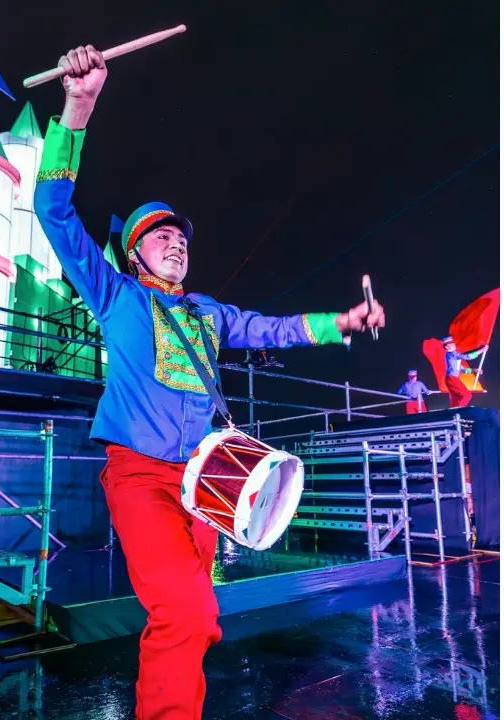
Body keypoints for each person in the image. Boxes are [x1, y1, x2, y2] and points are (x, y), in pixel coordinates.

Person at [35, 45, 384, 720]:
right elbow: (54, 212)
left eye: (181, 236)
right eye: (159, 236)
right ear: (134, 254)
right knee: (187, 610)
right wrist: (80, 104)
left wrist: (340, 321)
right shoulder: (116, 297)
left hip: (207, 482)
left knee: (195, 621)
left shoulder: (209, 314)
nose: (175, 242)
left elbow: (273, 329)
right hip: (140, 476)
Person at [442, 338, 486, 408]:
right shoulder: (451, 354)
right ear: (447, 347)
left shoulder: (453, 357)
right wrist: (481, 350)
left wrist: (474, 370)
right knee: (467, 395)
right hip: (452, 379)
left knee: (456, 399)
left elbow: (462, 369)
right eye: (451, 343)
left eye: (453, 343)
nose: (454, 344)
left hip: (451, 379)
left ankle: (453, 413)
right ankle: (459, 411)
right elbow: (467, 357)